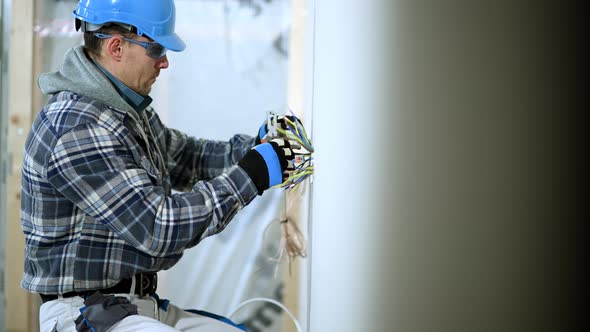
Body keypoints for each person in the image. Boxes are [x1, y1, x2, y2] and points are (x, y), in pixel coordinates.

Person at [20, 0, 299, 331]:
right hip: (83, 314)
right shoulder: (77, 127)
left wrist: (255, 147)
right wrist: (252, 175)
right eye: (155, 49)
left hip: (131, 306)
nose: (165, 62)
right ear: (116, 47)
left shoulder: (124, 110)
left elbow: (185, 158)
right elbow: (158, 226)